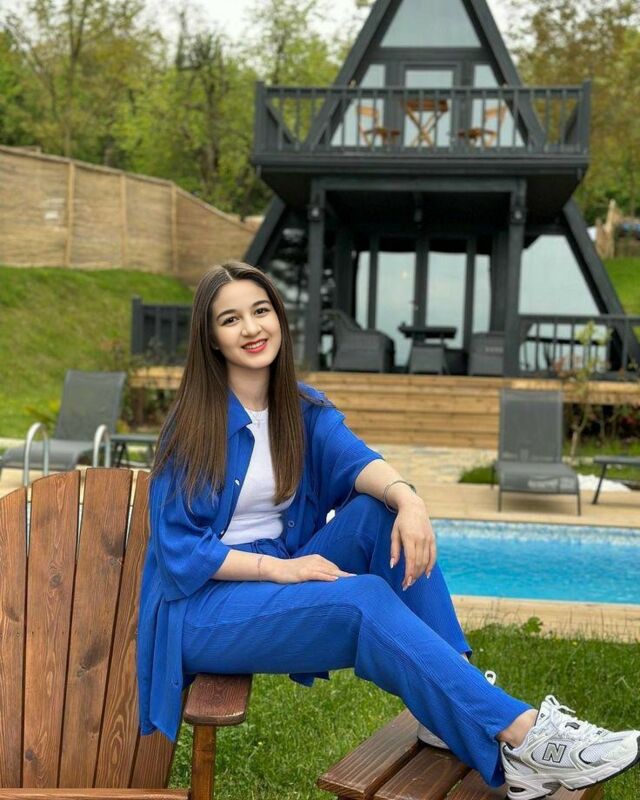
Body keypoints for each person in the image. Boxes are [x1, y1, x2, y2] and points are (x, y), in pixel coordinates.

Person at [136, 261, 639, 800]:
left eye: (261, 311)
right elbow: (179, 551)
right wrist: (279, 570)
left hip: (273, 570)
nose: (252, 328)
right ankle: (525, 739)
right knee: (363, 600)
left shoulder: (298, 408)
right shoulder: (193, 424)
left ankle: (451, 698)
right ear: (211, 338)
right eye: (230, 319)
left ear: (279, 317)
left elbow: (358, 461)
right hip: (202, 606)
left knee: (380, 513)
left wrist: (409, 500)